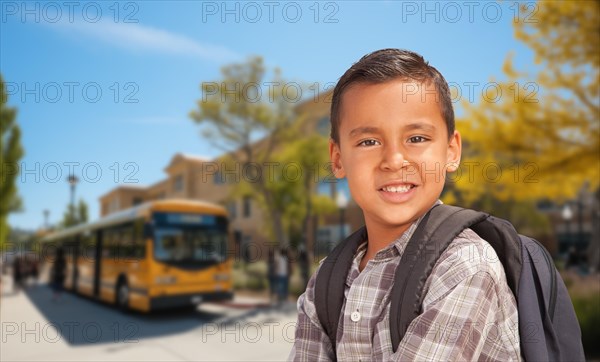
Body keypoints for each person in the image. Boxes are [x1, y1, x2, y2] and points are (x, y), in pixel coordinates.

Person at [289, 49, 520, 361]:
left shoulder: (464, 266)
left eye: (417, 139)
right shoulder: (327, 279)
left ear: (451, 151)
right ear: (338, 158)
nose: (394, 161)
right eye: (368, 142)